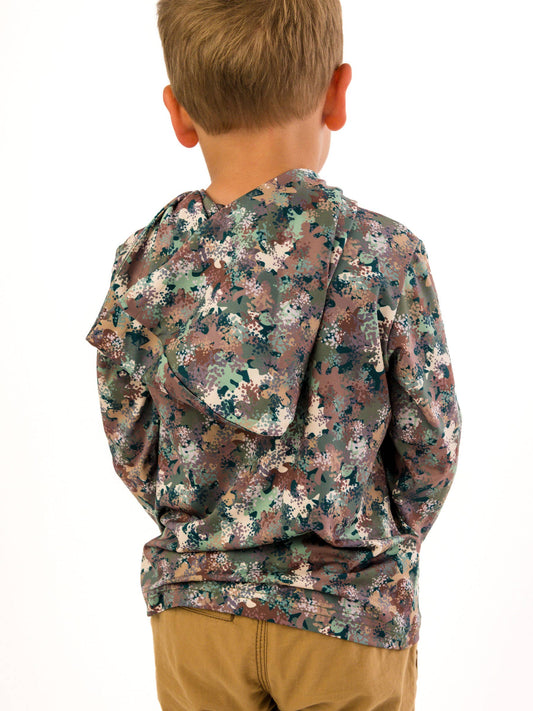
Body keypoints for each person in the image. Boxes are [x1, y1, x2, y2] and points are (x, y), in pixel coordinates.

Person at [85, 1, 462, 709]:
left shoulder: (144, 263)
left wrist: (204, 528)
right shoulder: (385, 254)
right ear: (337, 93)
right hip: (345, 614)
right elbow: (430, 444)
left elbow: (131, 441)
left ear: (179, 113)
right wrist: (378, 545)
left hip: (197, 615)